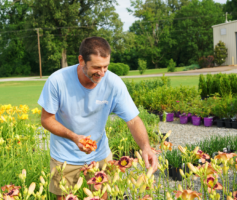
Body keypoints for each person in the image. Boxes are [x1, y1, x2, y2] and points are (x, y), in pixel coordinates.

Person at [38, 36, 158, 200]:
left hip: (99, 154)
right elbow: (46, 119)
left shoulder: (113, 83)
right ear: (81, 60)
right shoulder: (57, 81)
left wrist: (146, 147)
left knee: (102, 196)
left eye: (106, 66)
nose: (102, 73)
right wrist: (74, 137)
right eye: (96, 67)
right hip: (65, 156)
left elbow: (133, 119)